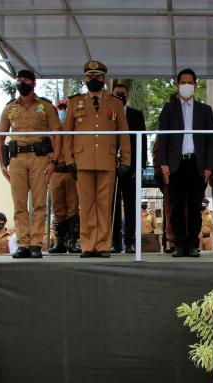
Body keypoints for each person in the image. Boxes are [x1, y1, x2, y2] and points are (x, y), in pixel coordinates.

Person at [62, 60, 131, 258]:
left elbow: (124, 134)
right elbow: (68, 134)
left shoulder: (115, 103)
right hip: (82, 161)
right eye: (90, 76)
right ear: (85, 79)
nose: (94, 79)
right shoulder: (74, 103)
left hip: (107, 160)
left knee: (104, 204)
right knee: (86, 205)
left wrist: (125, 160)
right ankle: (87, 245)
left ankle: (102, 245)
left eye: (97, 76)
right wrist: (69, 160)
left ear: (103, 79)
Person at [0, 69, 61, 259]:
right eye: (18, 80)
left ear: (33, 83)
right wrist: (2, 164)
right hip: (16, 159)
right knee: (19, 203)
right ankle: (23, 243)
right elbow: (0, 138)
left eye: (25, 80)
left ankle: (36, 244)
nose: (21, 83)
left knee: (40, 203)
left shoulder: (45, 106)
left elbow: (58, 136)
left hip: (39, 158)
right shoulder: (9, 108)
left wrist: (54, 161)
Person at [157, 68, 213, 257]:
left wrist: (209, 167)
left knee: (194, 207)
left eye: (189, 82)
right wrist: (163, 163)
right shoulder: (169, 109)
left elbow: (212, 143)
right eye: (182, 82)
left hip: (197, 165)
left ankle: (192, 245)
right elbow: (163, 139)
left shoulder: (205, 110)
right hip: (175, 165)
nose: (186, 86)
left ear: (195, 85)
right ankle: (179, 245)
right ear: (177, 85)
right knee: (175, 207)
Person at [110, 83, 147, 254]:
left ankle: (130, 242)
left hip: (131, 168)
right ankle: (115, 242)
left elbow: (143, 141)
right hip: (111, 167)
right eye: (117, 94)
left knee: (131, 206)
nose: (120, 96)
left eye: (122, 94)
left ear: (128, 95)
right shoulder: (107, 113)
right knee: (113, 206)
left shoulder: (136, 115)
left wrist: (140, 167)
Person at [47, 99, 80, 254]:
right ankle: (60, 242)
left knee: (73, 208)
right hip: (55, 173)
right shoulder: (50, 130)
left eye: (65, 108)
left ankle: (73, 241)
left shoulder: (75, 128)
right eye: (60, 108)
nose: (63, 111)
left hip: (71, 173)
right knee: (58, 208)